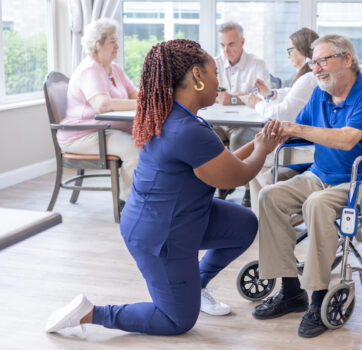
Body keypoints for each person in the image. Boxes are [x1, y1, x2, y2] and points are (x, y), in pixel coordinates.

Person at [45, 39, 282, 336]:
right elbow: (235, 177)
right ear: (197, 76)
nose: (218, 84)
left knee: (244, 224)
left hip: (179, 217)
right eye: (215, 75)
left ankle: (194, 284)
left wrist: (259, 142)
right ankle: (90, 313)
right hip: (159, 235)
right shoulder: (186, 129)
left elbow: (224, 163)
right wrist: (264, 149)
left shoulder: (175, 114)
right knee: (177, 320)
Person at [252, 34, 362, 338]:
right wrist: (274, 136)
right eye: (313, 62)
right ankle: (291, 290)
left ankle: (317, 297)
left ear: (347, 59)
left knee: (317, 204)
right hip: (321, 174)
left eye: (322, 61)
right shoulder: (320, 93)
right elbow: (301, 133)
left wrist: (296, 127)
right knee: (270, 196)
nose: (316, 69)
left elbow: (346, 140)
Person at [57, 18, 138, 203]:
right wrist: (142, 105)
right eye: (112, 41)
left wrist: (154, 98)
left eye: (117, 41)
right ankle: (128, 203)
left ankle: (147, 196)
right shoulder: (90, 69)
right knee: (136, 150)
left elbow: (134, 94)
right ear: (97, 45)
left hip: (105, 131)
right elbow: (102, 105)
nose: (117, 46)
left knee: (153, 139)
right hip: (83, 136)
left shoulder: (114, 69)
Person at [245, 27, 319, 214]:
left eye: (289, 50)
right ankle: (264, 217)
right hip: (302, 142)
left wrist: (257, 105)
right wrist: (270, 94)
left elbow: (281, 113)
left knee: (254, 162)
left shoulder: (308, 78)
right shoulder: (308, 77)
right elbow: (292, 94)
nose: (288, 56)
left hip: (304, 146)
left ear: (302, 49)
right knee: (254, 162)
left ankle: (271, 214)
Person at [213, 21, 271, 206]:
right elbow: (211, 94)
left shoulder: (257, 64)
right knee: (208, 138)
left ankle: (247, 189)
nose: (226, 50)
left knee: (239, 141)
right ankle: (221, 182)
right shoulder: (215, 63)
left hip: (246, 123)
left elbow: (263, 96)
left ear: (242, 41)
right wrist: (243, 95)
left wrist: (232, 98)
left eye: (231, 44)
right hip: (219, 121)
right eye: (222, 45)